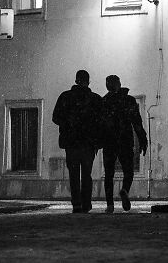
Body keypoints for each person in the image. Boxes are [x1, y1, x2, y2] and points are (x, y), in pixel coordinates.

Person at [52, 70, 102, 213]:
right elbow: (101, 121)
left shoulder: (65, 97)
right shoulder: (95, 99)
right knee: (87, 174)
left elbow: (55, 117)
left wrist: (68, 123)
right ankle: (86, 203)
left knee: (74, 174)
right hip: (88, 143)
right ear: (88, 81)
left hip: (71, 142)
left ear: (76, 80)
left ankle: (77, 203)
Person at [99, 74, 148, 213]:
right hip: (125, 141)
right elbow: (137, 122)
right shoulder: (129, 101)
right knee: (129, 171)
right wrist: (143, 138)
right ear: (119, 84)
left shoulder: (104, 102)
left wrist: (98, 141)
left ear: (107, 86)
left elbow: (100, 125)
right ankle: (125, 190)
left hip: (109, 142)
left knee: (109, 174)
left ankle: (109, 205)